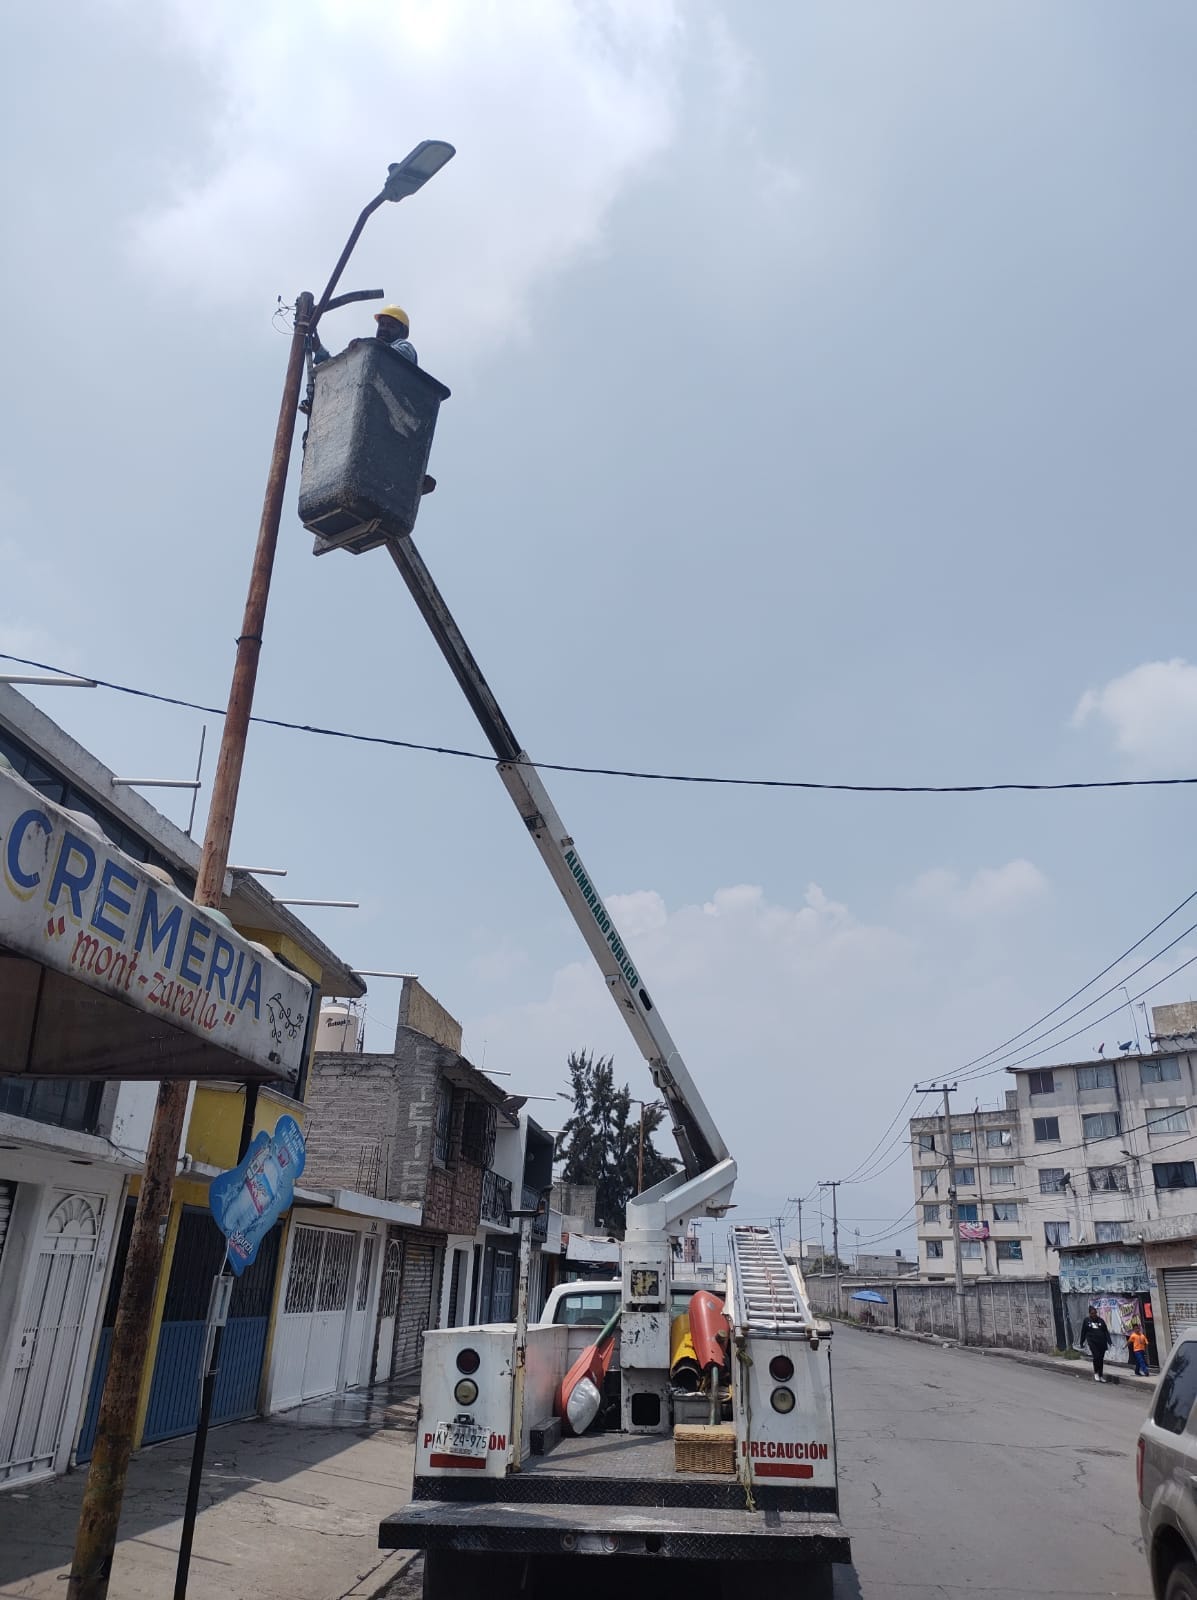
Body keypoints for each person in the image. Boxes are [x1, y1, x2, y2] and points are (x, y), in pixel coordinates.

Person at [1079, 1305, 1112, 1382]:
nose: (1094, 1315)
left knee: (1100, 1359)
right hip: (1092, 1342)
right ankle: (1096, 1372)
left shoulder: (1101, 1321)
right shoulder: (1086, 1321)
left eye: (1095, 1313)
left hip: (1102, 1342)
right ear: (1089, 1314)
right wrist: (1081, 1342)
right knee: (1096, 1356)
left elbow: (1105, 1331)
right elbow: (1083, 1331)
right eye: (1092, 1313)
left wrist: (1109, 1342)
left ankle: (1101, 1375)